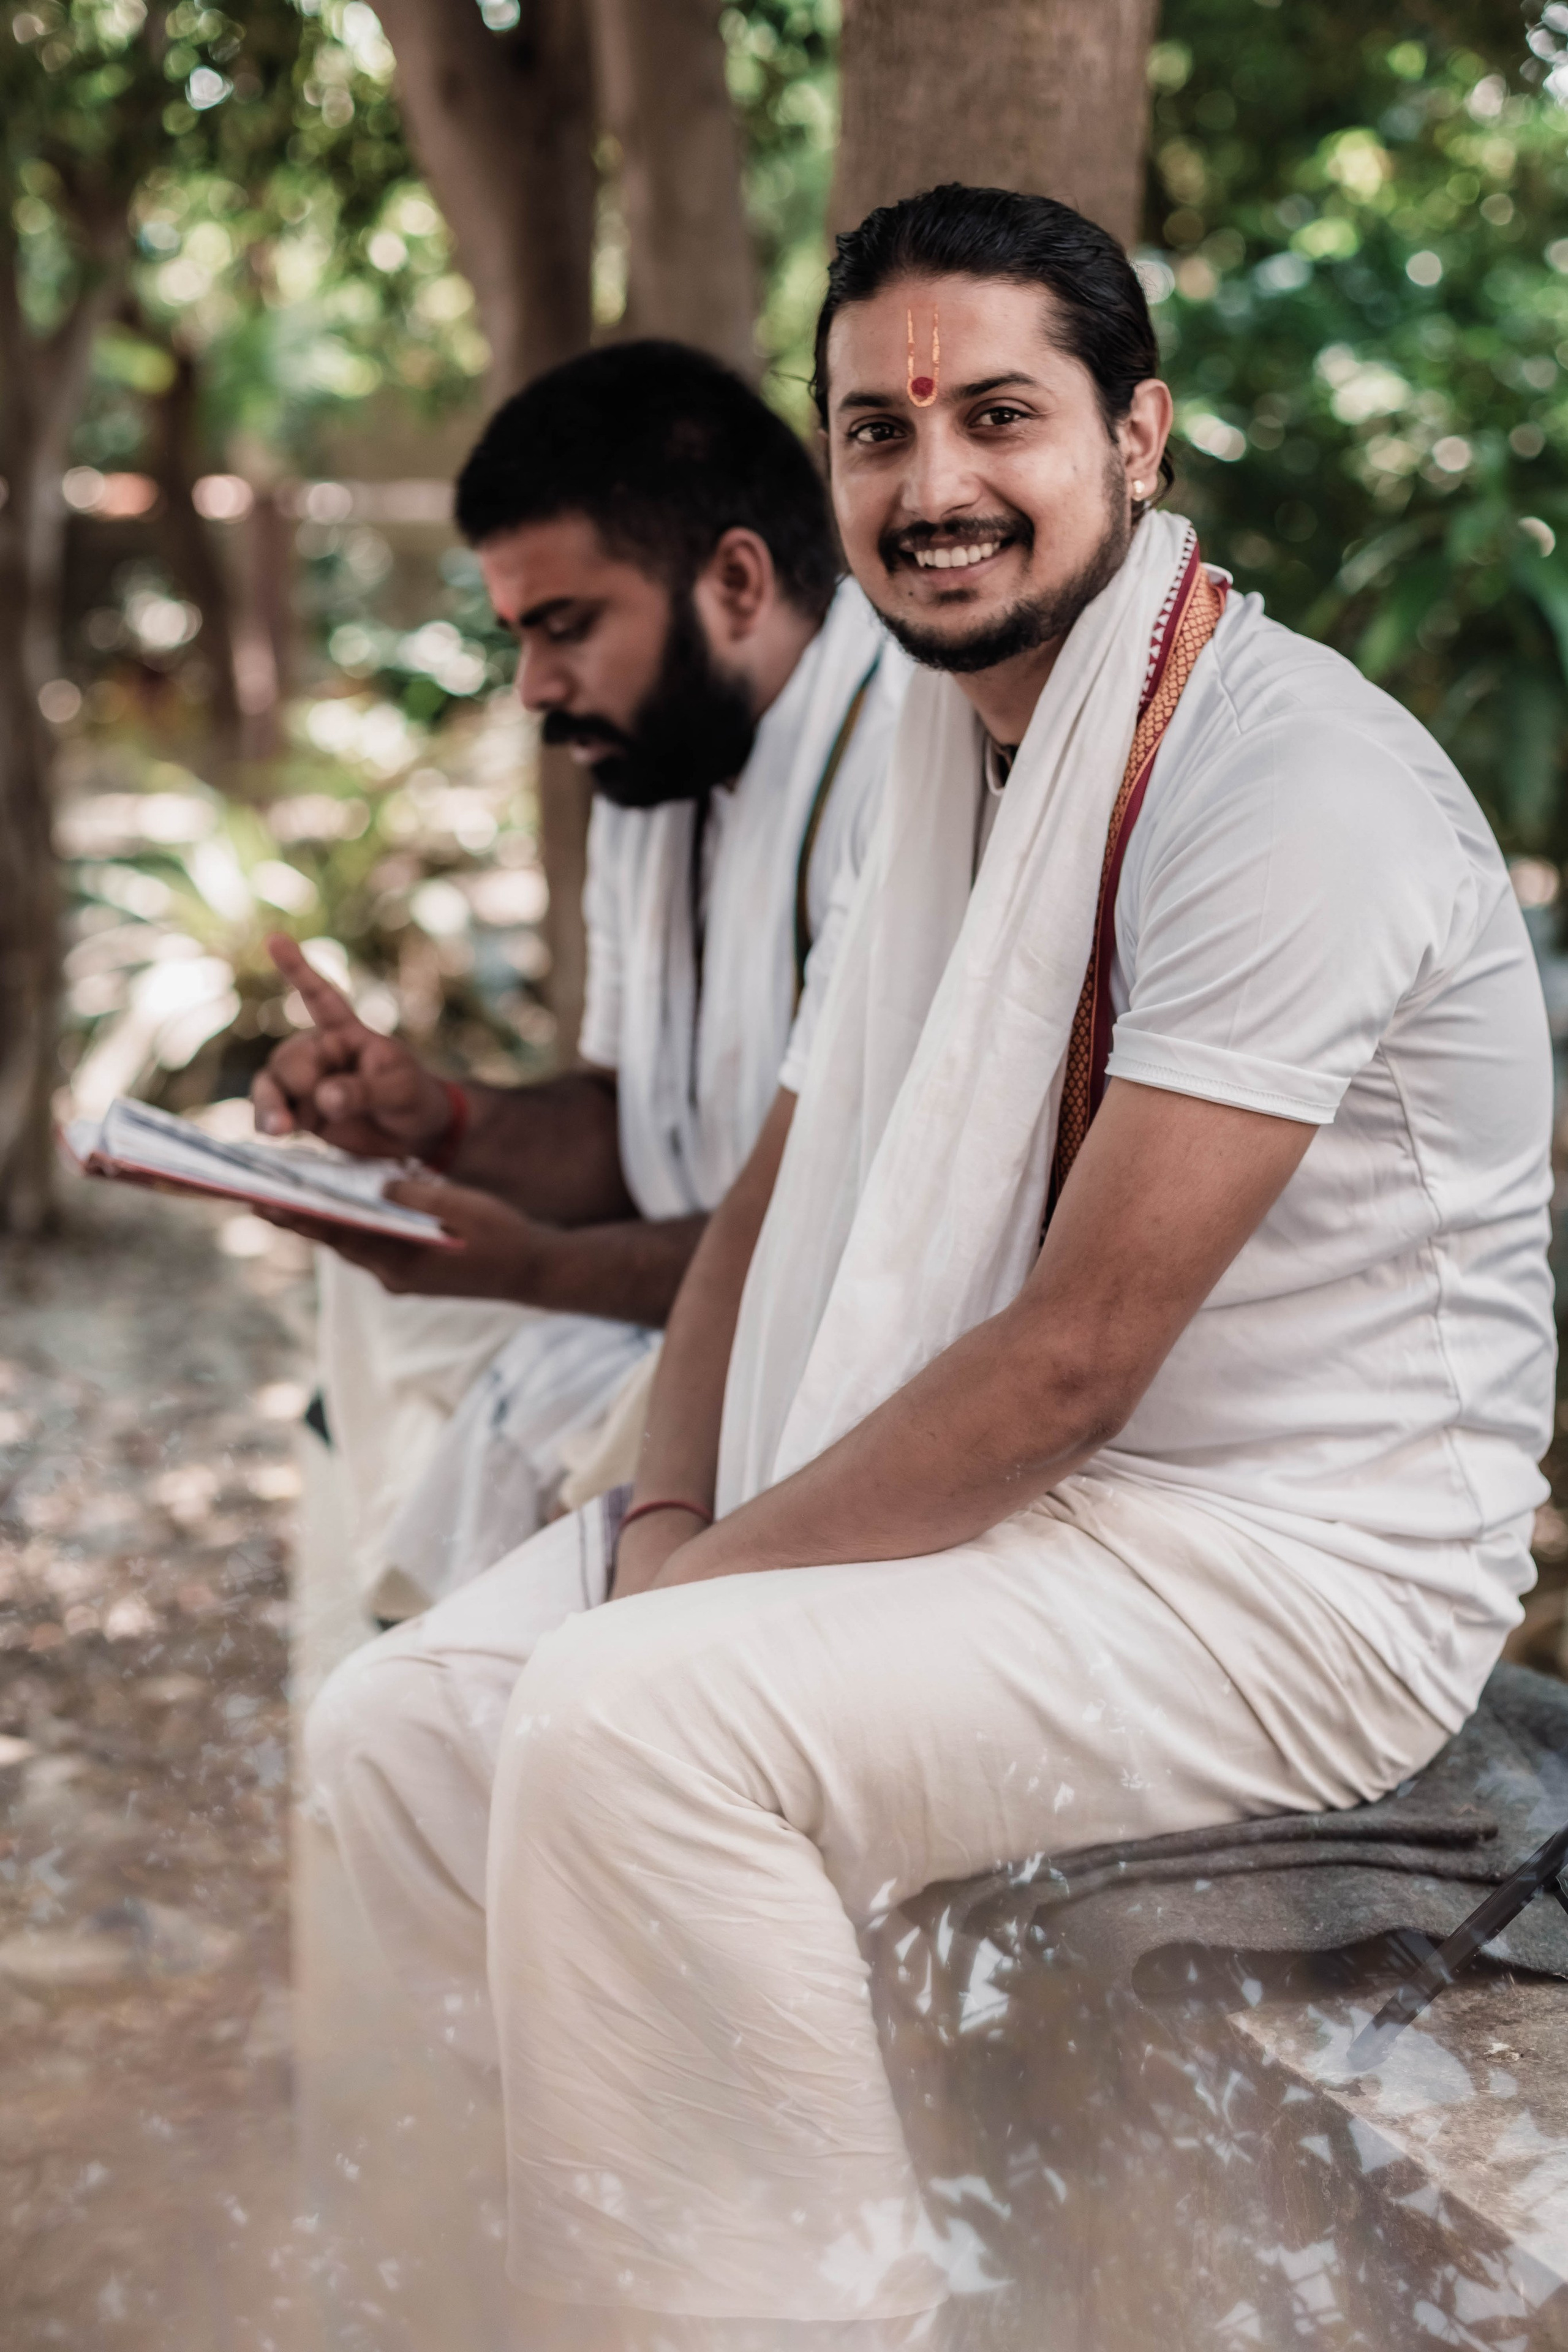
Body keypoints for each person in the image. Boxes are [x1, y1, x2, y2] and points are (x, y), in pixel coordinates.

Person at [306, 186, 1555, 2346]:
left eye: (1001, 415)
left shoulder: (1294, 789)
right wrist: (677, 1517)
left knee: (632, 1722)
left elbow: (1074, 1361)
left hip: (1291, 1580)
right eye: (879, 434)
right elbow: (780, 1191)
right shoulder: (931, 752)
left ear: (1137, 440)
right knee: (404, 1723)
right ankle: (532, 2281)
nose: (935, 482)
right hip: (1034, 1519)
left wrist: (713, 1591)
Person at [257, 341, 907, 1621]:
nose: (533, 689)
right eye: (517, 635)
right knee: (360, 1273)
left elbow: (847, 1252)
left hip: (822, 1365)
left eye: (565, 628)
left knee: (449, 1625)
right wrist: (439, 1121)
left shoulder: (908, 772)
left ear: (734, 579)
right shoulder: (651, 763)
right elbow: (635, 1127)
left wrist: (534, 1267)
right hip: (649, 1301)